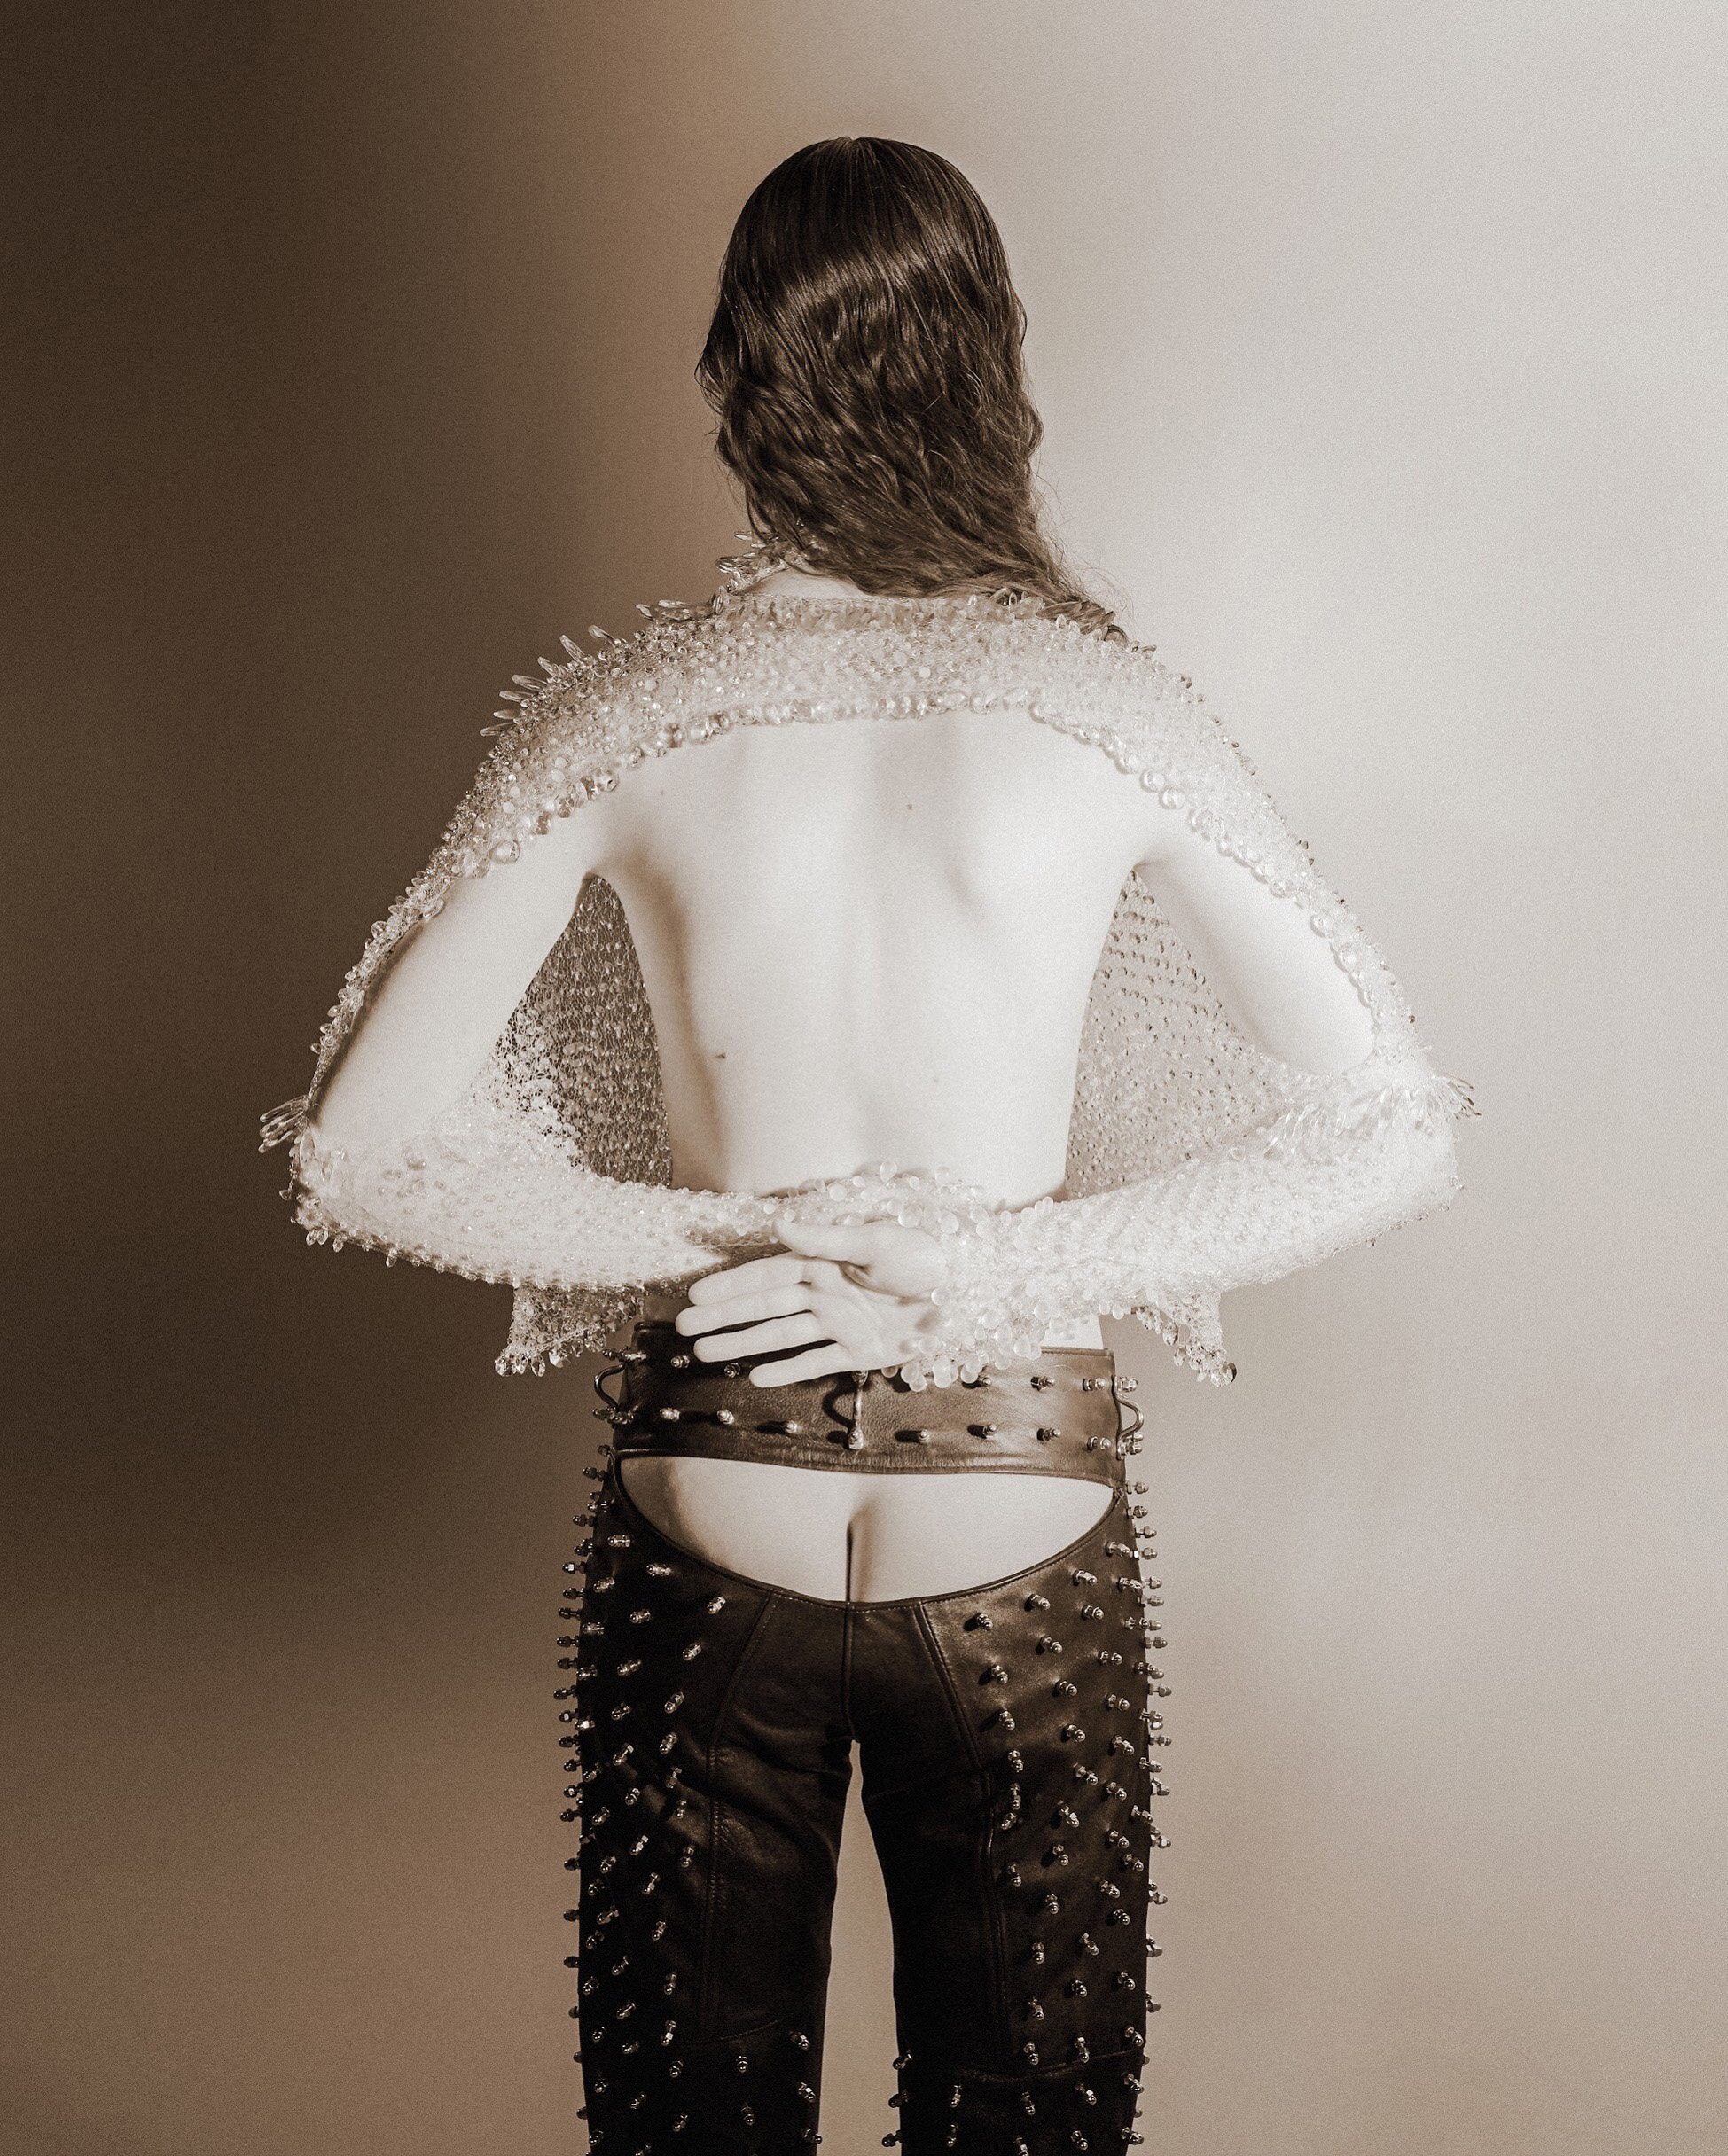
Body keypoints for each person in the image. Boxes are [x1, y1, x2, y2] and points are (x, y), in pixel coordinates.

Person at [262, 137, 1470, 2156]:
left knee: (687, 2125)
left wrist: (734, 1232)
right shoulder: (1099, 712)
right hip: (1018, 1491)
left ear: (736, 381)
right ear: (994, 372)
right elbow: (1392, 1125)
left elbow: (357, 1155)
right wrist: (989, 1267)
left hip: (710, 1479)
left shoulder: (628, 718)